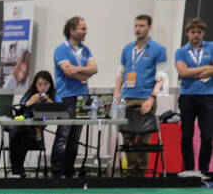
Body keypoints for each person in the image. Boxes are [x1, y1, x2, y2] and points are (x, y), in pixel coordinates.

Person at [111, 14, 167, 178]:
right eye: (136, 26)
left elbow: (161, 76)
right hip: (127, 97)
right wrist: (116, 93)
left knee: (143, 137)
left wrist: (152, 98)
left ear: (149, 28)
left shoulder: (158, 49)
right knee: (127, 137)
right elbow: (121, 72)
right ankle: (130, 172)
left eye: (142, 26)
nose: (138, 29)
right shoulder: (127, 49)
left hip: (145, 97)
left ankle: (140, 173)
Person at [51, 16, 98, 178]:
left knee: (75, 138)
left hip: (83, 97)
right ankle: (57, 172)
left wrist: (79, 70)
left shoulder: (85, 50)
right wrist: (84, 74)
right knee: (63, 136)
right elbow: (68, 72)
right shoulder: (61, 49)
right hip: (67, 97)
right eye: (82, 28)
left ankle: (69, 171)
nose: (85, 31)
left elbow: (94, 69)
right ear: (72, 30)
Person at [174, 17, 213, 178]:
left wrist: (192, 71)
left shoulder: (211, 47)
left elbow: (188, 72)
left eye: (199, 32)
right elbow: (182, 72)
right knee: (187, 135)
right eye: (192, 32)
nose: (196, 35)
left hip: (207, 96)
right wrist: (206, 68)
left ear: (203, 33)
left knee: (207, 136)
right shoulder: (181, 51)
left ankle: (203, 170)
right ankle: (189, 169)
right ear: (187, 33)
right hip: (187, 96)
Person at [9, 70, 56, 176]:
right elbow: (17, 115)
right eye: (40, 84)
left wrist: (50, 104)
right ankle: (17, 170)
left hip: (38, 130)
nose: (43, 87)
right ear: (35, 85)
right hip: (22, 129)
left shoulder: (53, 95)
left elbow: (56, 115)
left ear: (50, 85)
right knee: (17, 132)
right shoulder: (30, 95)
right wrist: (28, 103)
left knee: (20, 135)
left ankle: (17, 170)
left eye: (46, 84)